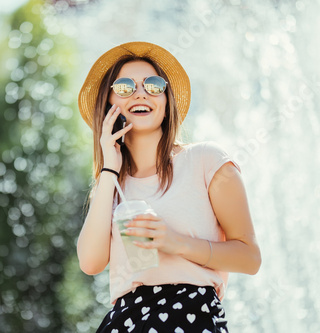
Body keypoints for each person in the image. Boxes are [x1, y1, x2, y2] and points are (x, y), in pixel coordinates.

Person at [76, 41, 261, 332]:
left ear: (166, 100)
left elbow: (250, 258)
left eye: (153, 85)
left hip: (192, 317)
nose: (140, 92)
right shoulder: (111, 183)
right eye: (124, 86)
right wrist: (108, 169)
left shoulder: (206, 161)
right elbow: (90, 263)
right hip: (125, 321)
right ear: (109, 103)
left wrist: (176, 243)